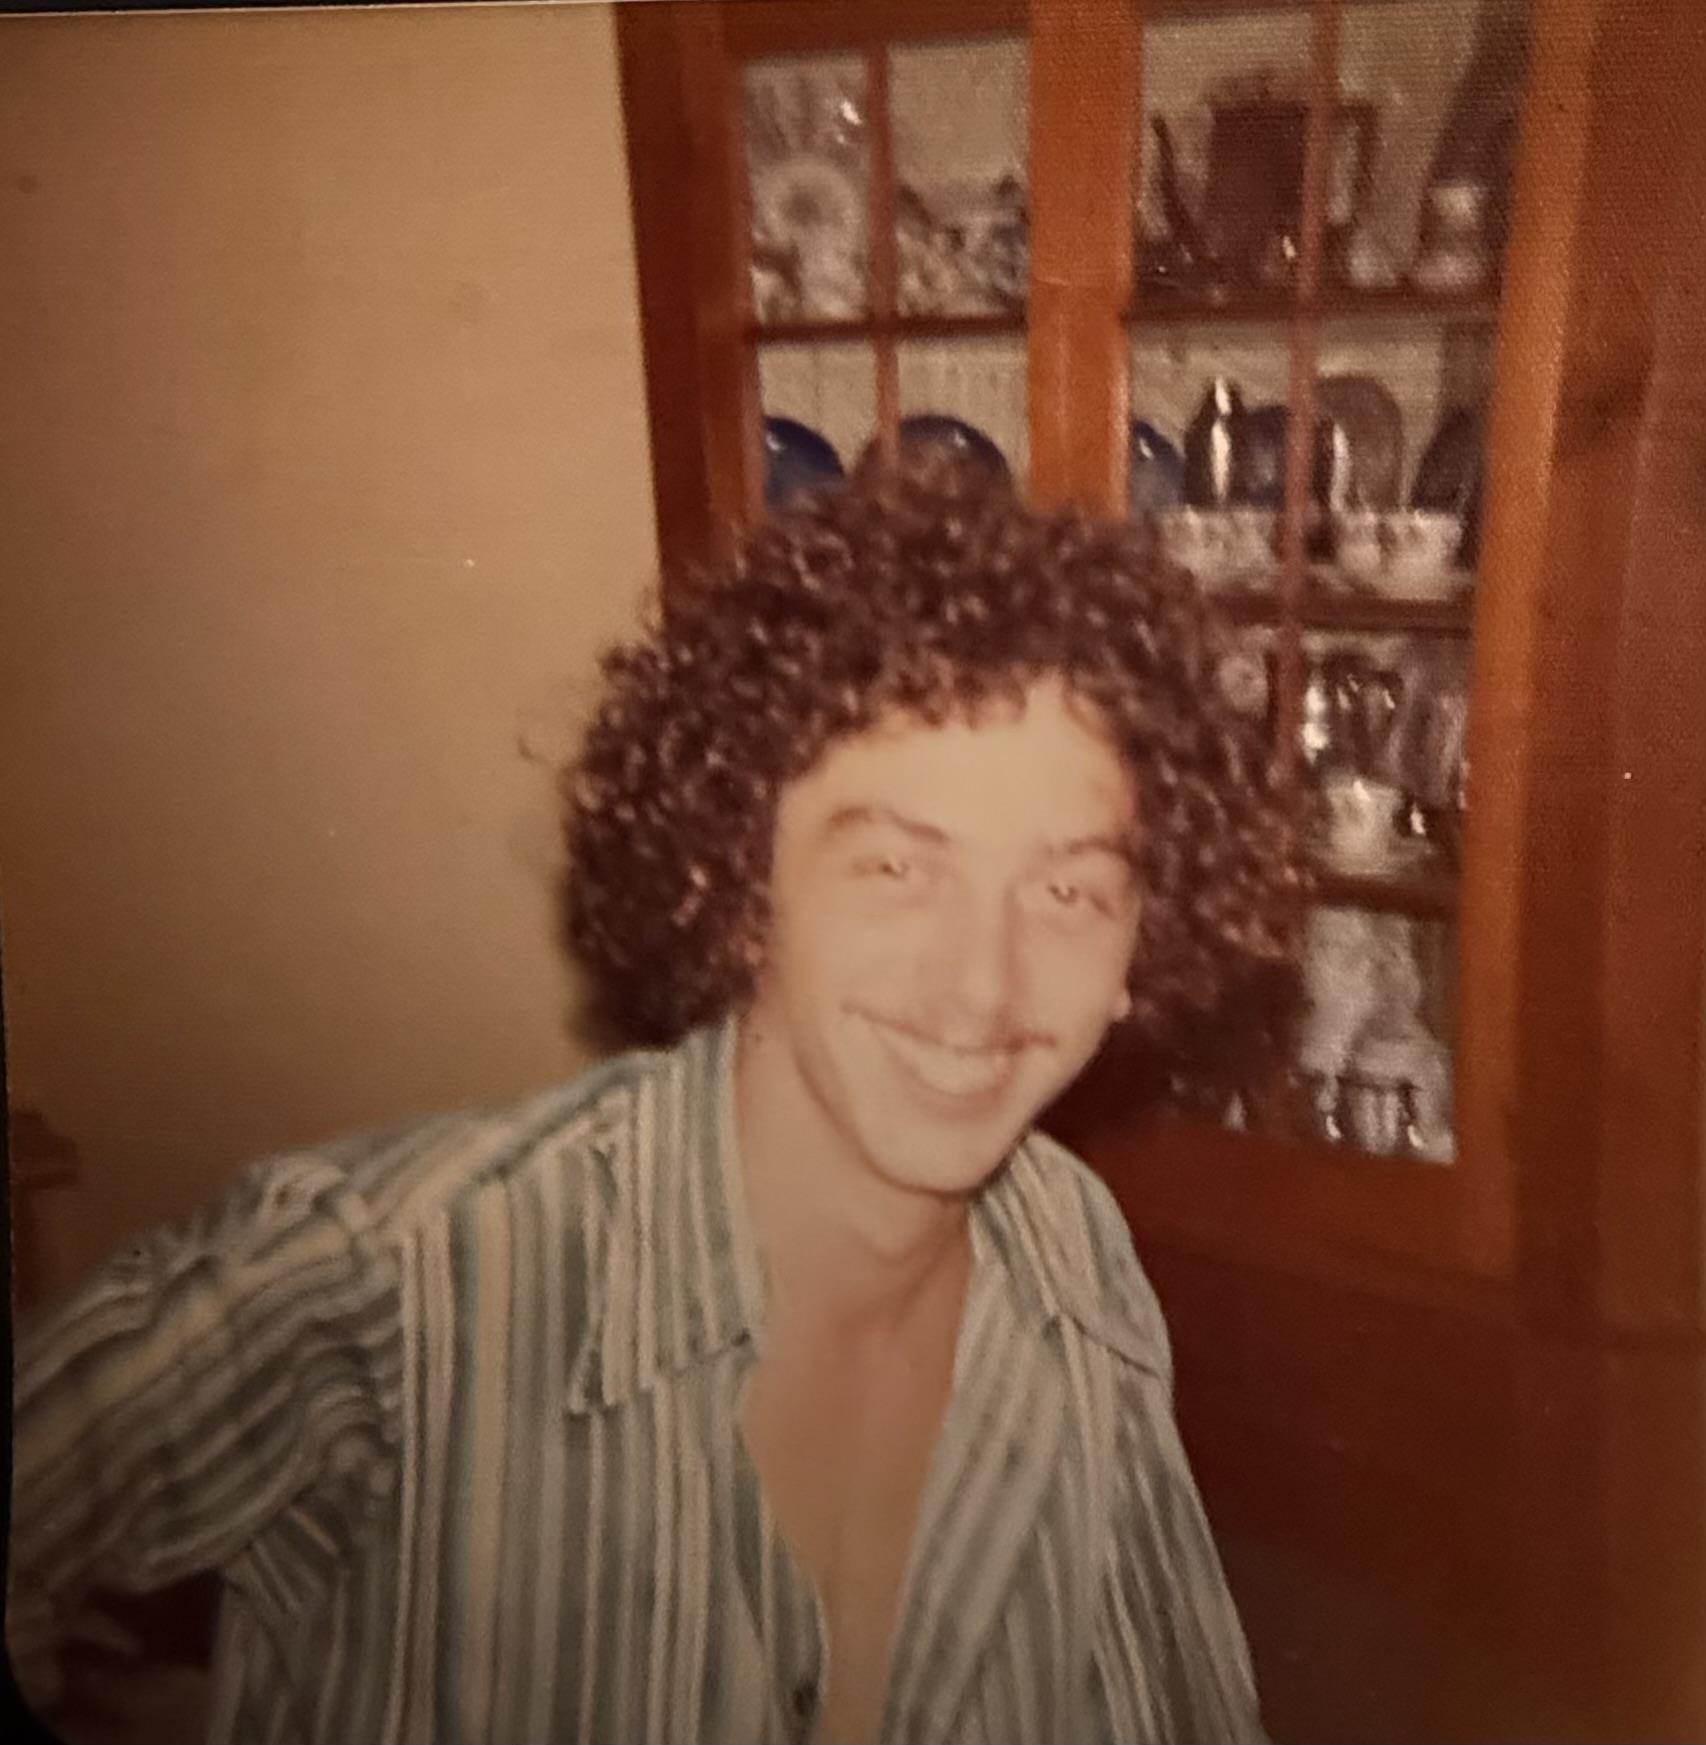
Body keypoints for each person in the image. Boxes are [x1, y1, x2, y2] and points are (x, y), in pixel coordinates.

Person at [9, 459, 1304, 1743]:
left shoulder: (1075, 1260)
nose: (982, 983)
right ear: (739, 888)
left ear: (1141, 946)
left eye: (1068, 891)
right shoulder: (391, 1284)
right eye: (895, 868)